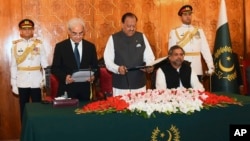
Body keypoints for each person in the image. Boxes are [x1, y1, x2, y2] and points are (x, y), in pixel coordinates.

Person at [104, 12, 155, 96]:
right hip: (120, 85)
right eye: (128, 26)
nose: (131, 28)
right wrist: (117, 68)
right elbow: (108, 61)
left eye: (134, 26)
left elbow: (149, 57)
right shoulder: (113, 38)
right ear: (122, 24)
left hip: (139, 84)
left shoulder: (141, 36)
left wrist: (148, 66)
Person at [51, 18, 99, 101]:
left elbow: (96, 67)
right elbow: (55, 68)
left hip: (85, 91)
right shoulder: (61, 47)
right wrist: (65, 77)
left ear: (84, 32)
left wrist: (93, 77)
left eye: (80, 33)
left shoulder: (90, 47)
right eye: (75, 34)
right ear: (69, 32)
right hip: (67, 89)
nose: (78, 36)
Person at [10, 19, 49, 121]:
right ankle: (25, 132)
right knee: (24, 108)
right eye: (24, 29)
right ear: (20, 31)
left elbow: (45, 64)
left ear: (33, 30)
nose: (27, 31)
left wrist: (45, 79)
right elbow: (13, 65)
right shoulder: (15, 45)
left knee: (38, 108)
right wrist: (13, 83)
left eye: (29, 29)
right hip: (22, 81)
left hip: (36, 81)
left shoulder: (39, 44)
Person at [168, 5, 214, 81]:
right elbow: (171, 53)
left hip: (197, 68)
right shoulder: (174, 31)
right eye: (185, 14)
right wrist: (173, 70)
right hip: (181, 68)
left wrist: (211, 66)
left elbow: (205, 50)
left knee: (197, 91)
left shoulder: (199, 31)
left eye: (189, 14)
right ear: (181, 17)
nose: (188, 16)